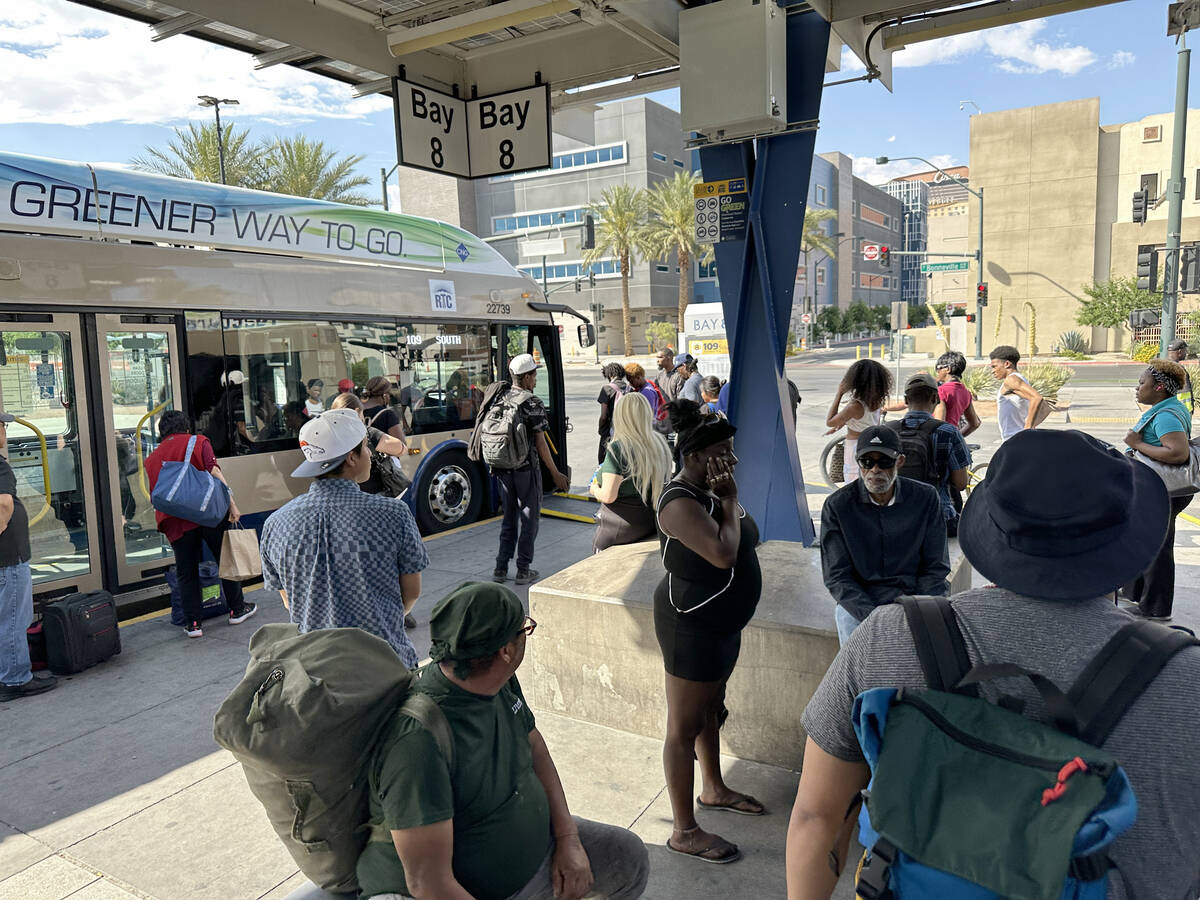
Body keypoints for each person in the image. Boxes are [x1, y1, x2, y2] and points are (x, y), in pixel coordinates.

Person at [786, 429, 1200, 900]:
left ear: (993, 533)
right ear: (1127, 547)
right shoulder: (1184, 679)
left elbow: (816, 817)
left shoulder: (888, 637)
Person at [356, 581, 650, 900]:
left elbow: (535, 747)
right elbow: (429, 883)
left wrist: (569, 839)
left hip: (531, 855)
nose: (527, 634)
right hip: (448, 891)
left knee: (627, 858)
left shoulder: (499, 681)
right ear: (506, 651)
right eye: (525, 628)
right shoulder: (418, 744)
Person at [654, 400, 764, 865]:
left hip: (721, 622)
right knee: (683, 727)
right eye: (724, 451)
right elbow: (723, 553)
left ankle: (714, 788)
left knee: (711, 712)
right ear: (696, 456)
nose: (733, 460)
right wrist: (730, 500)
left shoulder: (713, 492)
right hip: (690, 626)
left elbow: (746, 534)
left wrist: (726, 499)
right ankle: (684, 830)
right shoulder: (680, 502)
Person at [260, 409, 428, 667]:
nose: (371, 454)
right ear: (351, 458)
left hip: (314, 671)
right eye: (365, 447)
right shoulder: (393, 514)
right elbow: (411, 594)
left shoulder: (274, 524)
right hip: (386, 665)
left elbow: (290, 601)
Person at [819, 424, 949, 645]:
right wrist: (872, 616)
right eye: (867, 462)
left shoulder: (926, 498)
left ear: (900, 461)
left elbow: (936, 567)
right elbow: (838, 576)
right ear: (858, 463)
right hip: (862, 602)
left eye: (884, 462)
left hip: (914, 598)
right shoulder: (838, 506)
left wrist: (913, 609)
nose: (875, 470)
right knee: (855, 641)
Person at [144, 410, 256, 639]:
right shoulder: (198, 442)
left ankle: (193, 624)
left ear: (162, 432)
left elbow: (156, 493)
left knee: (186, 571)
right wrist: (232, 504)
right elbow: (215, 472)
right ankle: (237, 609)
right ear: (186, 427)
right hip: (209, 514)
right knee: (225, 560)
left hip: (176, 521)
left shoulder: (153, 458)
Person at [485, 354, 570, 586]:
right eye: (534, 375)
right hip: (525, 469)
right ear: (525, 377)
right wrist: (555, 473)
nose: (535, 380)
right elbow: (541, 444)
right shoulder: (531, 402)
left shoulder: (498, 397)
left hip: (501, 469)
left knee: (509, 519)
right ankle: (523, 569)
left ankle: (500, 568)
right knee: (529, 518)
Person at [1122, 358, 1194, 620]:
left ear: (1160, 387)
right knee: (1147, 540)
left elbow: (1177, 453)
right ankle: (1137, 595)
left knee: (1158, 546)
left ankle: (1155, 608)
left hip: (1162, 489)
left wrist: (1137, 444)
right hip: (1161, 488)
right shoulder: (1169, 407)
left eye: (1142, 383)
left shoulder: (1165, 416)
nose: (1137, 388)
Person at [0, 413, 57, 701]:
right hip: (8, 559)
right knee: (12, 618)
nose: (5, 431)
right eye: (2, 426)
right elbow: (3, 505)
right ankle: (15, 680)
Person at [891, 372, 971, 536]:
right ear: (935, 398)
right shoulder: (948, 432)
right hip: (938, 517)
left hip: (896, 516)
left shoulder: (888, 430)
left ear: (906, 401)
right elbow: (961, 483)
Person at [589, 392, 671, 552]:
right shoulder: (659, 443)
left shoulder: (619, 448)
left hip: (618, 529)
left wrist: (594, 488)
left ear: (621, 417)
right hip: (649, 523)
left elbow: (608, 496)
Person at [824, 359, 892, 484]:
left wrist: (839, 393)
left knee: (853, 480)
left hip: (855, 447)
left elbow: (829, 421)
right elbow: (862, 420)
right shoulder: (876, 401)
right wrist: (843, 422)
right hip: (871, 444)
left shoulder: (855, 405)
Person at [989, 345, 1043, 442]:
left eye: (994, 367)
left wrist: (1028, 428)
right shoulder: (1019, 379)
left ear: (1007, 364)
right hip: (1017, 438)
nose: (992, 371)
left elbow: (1036, 398)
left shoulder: (1011, 380)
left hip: (1014, 439)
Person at [932, 350, 981, 437]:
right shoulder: (966, 393)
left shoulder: (941, 391)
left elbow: (939, 425)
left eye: (938, 368)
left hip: (938, 444)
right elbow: (975, 423)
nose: (937, 372)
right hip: (951, 443)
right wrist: (957, 438)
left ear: (948, 369)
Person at [596, 362, 631, 465]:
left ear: (610, 375)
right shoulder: (630, 388)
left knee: (605, 462)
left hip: (610, 432)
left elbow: (603, 416)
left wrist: (601, 428)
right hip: (627, 431)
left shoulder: (607, 389)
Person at [361, 376, 406, 443]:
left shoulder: (357, 411)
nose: (390, 397)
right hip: (381, 453)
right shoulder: (387, 414)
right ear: (384, 395)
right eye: (389, 394)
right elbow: (401, 444)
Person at [1166, 338, 1194, 414]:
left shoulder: (1161, 366)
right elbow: (1184, 394)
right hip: (1180, 412)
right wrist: (1188, 413)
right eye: (1185, 350)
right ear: (1180, 352)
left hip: (1167, 411)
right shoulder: (1179, 369)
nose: (1186, 353)